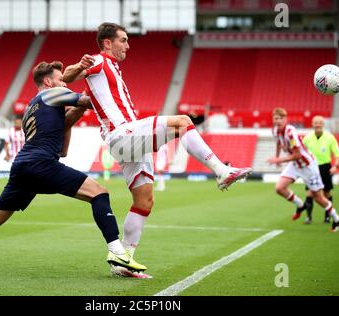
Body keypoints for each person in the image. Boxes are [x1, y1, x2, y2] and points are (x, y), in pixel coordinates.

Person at [63, 22, 252, 276]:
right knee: (184, 122)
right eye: (123, 40)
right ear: (108, 43)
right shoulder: (98, 61)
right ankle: (220, 171)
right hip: (122, 134)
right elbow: (66, 77)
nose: (128, 46)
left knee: (144, 201)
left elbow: (83, 95)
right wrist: (79, 65)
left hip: (128, 142)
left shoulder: (106, 73)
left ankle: (123, 262)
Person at [0, 61, 148, 278]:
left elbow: (62, 149)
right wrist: (102, 90)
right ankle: (117, 252)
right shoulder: (51, 95)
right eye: (61, 80)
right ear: (48, 81)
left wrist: (75, 112)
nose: (65, 83)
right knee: (99, 193)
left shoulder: (31, 109)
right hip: (40, 163)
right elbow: (89, 101)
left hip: (23, 166)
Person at [266, 108, 339, 232]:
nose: (278, 121)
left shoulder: (290, 132)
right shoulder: (275, 131)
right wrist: (277, 156)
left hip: (308, 166)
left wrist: (278, 160)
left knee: (318, 197)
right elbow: (278, 143)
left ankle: (337, 219)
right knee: (279, 188)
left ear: (285, 119)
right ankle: (301, 205)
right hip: (295, 165)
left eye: (280, 118)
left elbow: (297, 155)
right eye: (275, 118)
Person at [302, 116, 339, 224]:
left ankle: (327, 217)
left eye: (320, 123)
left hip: (325, 167)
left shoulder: (330, 137)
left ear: (323, 124)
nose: (318, 124)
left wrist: (335, 166)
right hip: (311, 168)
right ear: (312, 124)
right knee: (310, 193)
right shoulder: (307, 138)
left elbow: (337, 153)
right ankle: (308, 217)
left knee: (326, 193)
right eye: (315, 123)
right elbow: (301, 151)